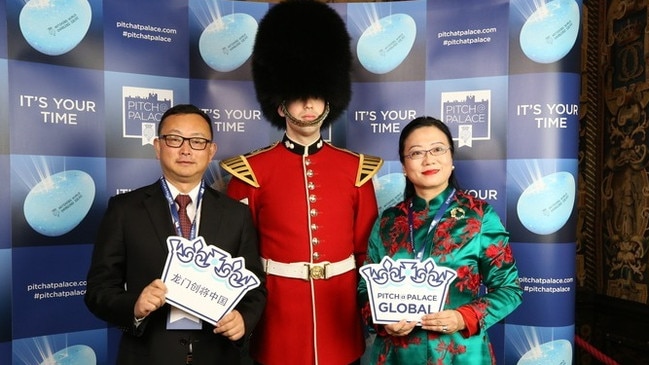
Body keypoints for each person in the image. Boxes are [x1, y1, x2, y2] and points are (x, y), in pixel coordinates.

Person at [219, 1, 383, 364]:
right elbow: (238, 256)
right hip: (278, 320)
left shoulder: (356, 170)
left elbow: (364, 254)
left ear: (330, 99)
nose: (308, 104)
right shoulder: (249, 172)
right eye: (297, 95)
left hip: (339, 317)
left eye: (316, 93)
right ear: (280, 105)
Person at [85, 104, 267, 365]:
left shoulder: (236, 214)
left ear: (211, 150)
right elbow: (98, 291)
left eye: (197, 141)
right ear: (158, 146)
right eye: (174, 139)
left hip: (218, 355)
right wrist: (134, 305)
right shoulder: (124, 210)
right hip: (147, 355)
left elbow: (255, 286)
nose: (186, 149)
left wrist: (243, 319)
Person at [357, 116, 523, 364]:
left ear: (451, 158)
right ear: (403, 165)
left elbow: (510, 290)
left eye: (437, 149)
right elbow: (364, 288)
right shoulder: (387, 222)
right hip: (396, 355)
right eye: (416, 153)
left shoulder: (479, 217)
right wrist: (381, 320)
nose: (429, 159)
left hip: (461, 354)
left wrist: (462, 317)